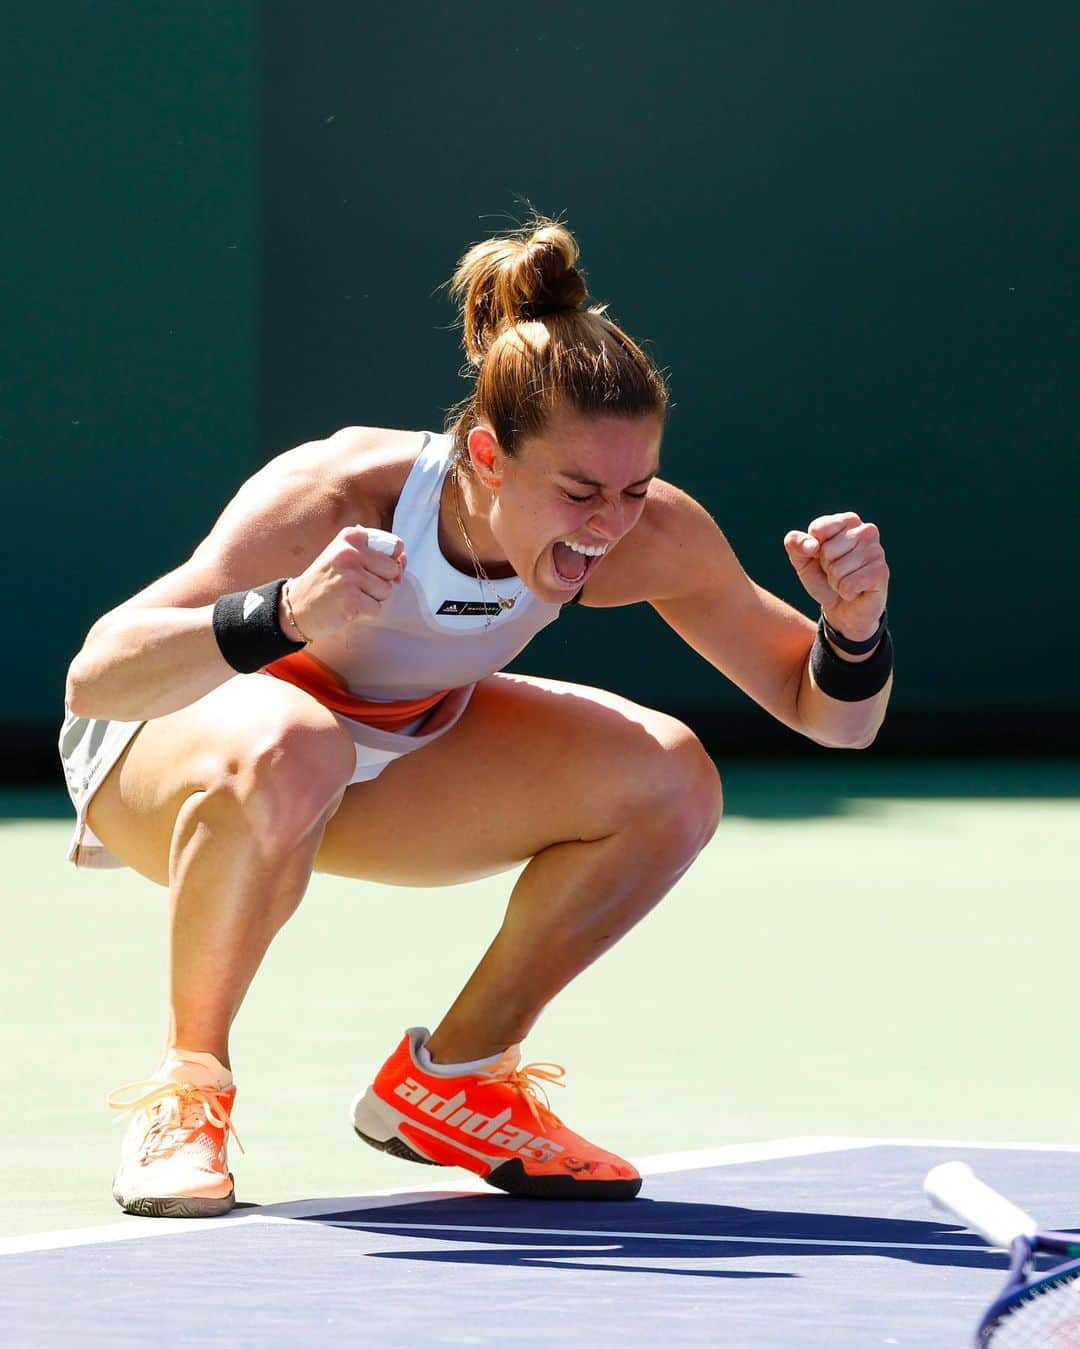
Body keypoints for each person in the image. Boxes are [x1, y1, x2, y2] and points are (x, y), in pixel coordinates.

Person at [61, 217, 892, 1217]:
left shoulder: (643, 535)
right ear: (490, 456)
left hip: (386, 751)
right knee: (296, 739)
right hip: (164, 758)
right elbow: (98, 679)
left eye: (632, 488)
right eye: (580, 488)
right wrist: (287, 614)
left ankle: (455, 1081)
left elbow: (832, 719)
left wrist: (851, 628)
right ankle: (188, 1091)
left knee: (671, 777)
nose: (608, 522)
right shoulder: (336, 494)